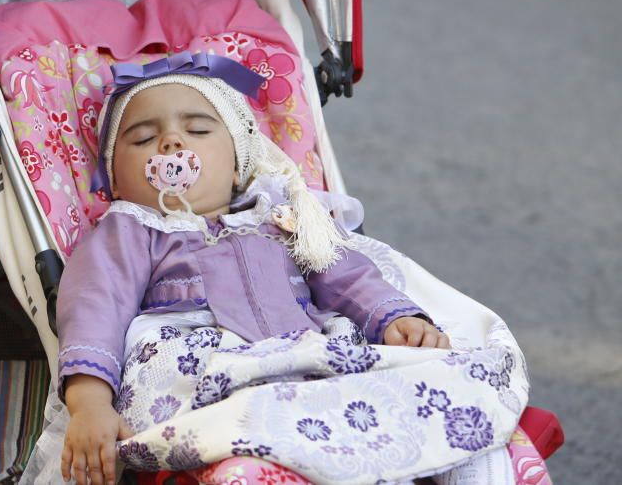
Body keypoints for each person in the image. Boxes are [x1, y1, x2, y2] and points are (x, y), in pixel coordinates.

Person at [55, 52, 521, 485]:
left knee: (441, 397)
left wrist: (394, 317)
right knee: (250, 440)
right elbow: (96, 307)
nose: (172, 142)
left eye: (198, 130)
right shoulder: (130, 230)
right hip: (207, 373)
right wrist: (89, 401)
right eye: (142, 137)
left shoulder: (280, 216)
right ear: (114, 176)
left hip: (310, 356)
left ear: (239, 160)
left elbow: (345, 274)